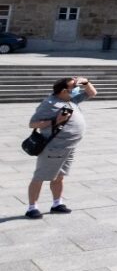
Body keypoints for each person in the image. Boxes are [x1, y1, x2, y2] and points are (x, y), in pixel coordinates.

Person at [24, 76, 96, 219]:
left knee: (60, 177)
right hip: (54, 147)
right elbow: (32, 124)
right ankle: (32, 207)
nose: (77, 88)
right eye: (73, 87)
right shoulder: (49, 103)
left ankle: (57, 204)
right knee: (40, 177)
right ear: (63, 90)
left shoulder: (70, 99)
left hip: (69, 147)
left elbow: (92, 93)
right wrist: (54, 121)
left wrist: (86, 82)